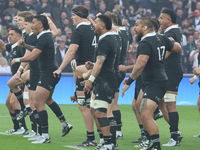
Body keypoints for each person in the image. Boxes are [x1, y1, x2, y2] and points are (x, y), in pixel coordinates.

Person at [121, 17, 182, 150]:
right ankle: (167, 135)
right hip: (152, 81)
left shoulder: (146, 42)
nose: (134, 28)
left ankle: (155, 145)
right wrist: (174, 42)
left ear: (145, 28)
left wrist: (129, 81)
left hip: (155, 82)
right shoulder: (161, 38)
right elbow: (177, 49)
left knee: (145, 113)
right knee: (138, 105)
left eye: (136, 25)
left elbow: (140, 64)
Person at [10, 15, 72, 144]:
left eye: (33, 23)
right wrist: (26, 46)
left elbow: (33, 57)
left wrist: (17, 60)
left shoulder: (43, 36)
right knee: (45, 100)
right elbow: (37, 50)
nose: (32, 25)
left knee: (38, 102)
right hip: (47, 73)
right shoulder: (45, 35)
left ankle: (44, 135)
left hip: (48, 73)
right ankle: (63, 123)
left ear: (40, 25)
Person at [54, 5, 97, 147]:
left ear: (78, 15)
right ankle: (103, 138)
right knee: (96, 105)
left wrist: (60, 68)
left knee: (84, 105)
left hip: (85, 69)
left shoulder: (80, 29)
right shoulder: (94, 27)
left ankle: (92, 138)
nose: (71, 17)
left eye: (72, 15)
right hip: (97, 68)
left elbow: (71, 50)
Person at [83, 15, 118, 150]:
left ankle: (109, 143)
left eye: (96, 22)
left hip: (106, 80)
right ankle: (104, 140)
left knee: (100, 113)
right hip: (104, 78)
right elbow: (102, 61)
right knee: (93, 110)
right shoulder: (108, 38)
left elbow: (101, 61)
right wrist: (94, 65)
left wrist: (90, 80)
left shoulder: (105, 40)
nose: (93, 24)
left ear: (102, 26)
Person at [159, 8, 183, 146]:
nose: (159, 20)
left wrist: (159, 61)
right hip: (169, 72)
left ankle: (175, 137)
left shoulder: (171, 33)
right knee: (162, 102)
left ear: (169, 20)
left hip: (171, 72)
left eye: (162, 18)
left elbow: (170, 49)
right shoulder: (172, 31)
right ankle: (176, 133)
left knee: (170, 104)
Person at [0, 28, 28, 134]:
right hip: (14, 81)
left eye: (12, 34)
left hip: (19, 80)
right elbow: (2, 46)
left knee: (13, 102)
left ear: (19, 36)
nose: (9, 36)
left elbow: (27, 60)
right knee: (8, 103)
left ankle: (23, 128)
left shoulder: (22, 47)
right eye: (9, 34)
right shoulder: (12, 47)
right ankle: (16, 127)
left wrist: (22, 79)